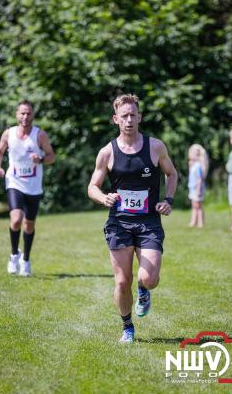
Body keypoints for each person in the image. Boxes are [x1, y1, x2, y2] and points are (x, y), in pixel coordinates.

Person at [88, 94, 178, 343]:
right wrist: (102, 197)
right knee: (121, 281)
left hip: (149, 222)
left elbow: (172, 174)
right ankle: (127, 327)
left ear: (140, 117)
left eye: (132, 115)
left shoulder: (155, 147)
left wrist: (168, 200)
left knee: (149, 278)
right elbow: (92, 186)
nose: (129, 120)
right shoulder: (107, 152)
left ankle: (143, 290)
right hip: (119, 223)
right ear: (115, 119)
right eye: (124, 116)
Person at [0, 100, 55, 276]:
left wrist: (41, 159)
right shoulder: (9, 133)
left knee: (29, 225)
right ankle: (14, 254)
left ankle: (25, 259)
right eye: (22, 113)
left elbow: (52, 156)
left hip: (34, 187)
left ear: (33, 115)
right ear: (16, 114)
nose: (25, 116)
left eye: (28, 113)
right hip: (14, 181)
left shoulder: (40, 135)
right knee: (16, 220)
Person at [188, 144, 208, 228]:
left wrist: (198, 189)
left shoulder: (199, 165)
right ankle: (193, 221)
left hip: (197, 188)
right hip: (192, 188)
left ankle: (201, 222)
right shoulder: (192, 165)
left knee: (198, 206)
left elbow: (200, 179)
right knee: (194, 205)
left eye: (195, 154)